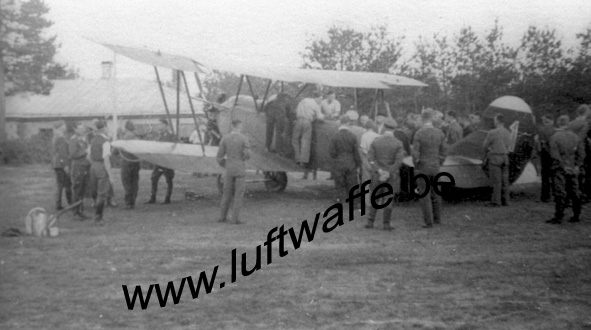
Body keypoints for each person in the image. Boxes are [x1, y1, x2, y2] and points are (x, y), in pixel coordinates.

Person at [365, 118, 405, 231]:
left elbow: (370, 158)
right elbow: (398, 162)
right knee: (388, 199)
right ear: (394, 130)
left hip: (378, 174)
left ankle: (370, 222)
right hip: (391, 175)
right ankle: (386, 224)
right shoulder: (398, 143)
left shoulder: (376, 141)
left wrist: (379, 170)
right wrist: (388, 172)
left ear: (384, 128)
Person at [546, 115, 585, 224]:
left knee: (560, 192)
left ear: (558, 123)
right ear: (568, 123)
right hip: (573, 167)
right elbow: (581, 154)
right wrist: (577, 166)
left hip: (560, 168)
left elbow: (555, 155)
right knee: (575, 191)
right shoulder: (575, 137)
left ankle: (559, 216)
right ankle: (576, 215)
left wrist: (563, 166)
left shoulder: (554, 137)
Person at [412, 109, 447, 228]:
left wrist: (416, 165)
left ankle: (428, 221)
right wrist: (439, 161)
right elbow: (444, 150)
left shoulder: (419, 133)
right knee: (436, 192)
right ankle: (438, 218)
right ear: (432, 119)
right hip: (435, 166)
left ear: (422, 119)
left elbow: (415, 153)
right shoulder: (440, 133)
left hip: (422, 167)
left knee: (424, 194)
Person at [217, 119, 251, 224]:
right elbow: (247, 155)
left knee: (226, 194)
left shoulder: (225, 138)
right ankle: (235, 218)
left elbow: (219, 157)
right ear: (240, 126)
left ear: (232, 126)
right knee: (238, 195)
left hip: (229, 169)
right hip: (240, 168)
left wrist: (226, 164)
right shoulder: (244, 139)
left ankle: (222, 217)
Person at [329, 115, 361, 203]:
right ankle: (354, 203)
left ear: (340, 123)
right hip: (351, 162)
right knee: (352, 183)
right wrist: (358, 163)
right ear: (348, 123)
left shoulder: (335, 136)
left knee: (339, 183)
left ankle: (338, 201)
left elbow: (332, 152)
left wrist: (337, 157)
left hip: (339, 162)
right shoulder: (352, 136)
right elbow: (356, 152)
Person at [483, 114, 512, 207]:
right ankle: (506, 201)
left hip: (495, 157)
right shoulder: (508, 132)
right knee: (505, 181)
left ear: (498, 121)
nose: (494, 122)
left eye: (495, 120)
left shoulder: (492, 132)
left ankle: (496, 201)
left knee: (496, 181)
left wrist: (489, 150)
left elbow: (485, 146)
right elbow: (508, 145)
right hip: (505, 157)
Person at [146, 119, 177, 204]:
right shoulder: (158, 136)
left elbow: (174, 147)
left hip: (167, 161)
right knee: (154, 178)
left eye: (160, 124)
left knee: (169, 179)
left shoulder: (171, 136)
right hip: (159, 161)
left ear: (165, 125)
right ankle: (153, 197)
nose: (159, 126)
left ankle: (167, 198)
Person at [89, 120, 113, 223]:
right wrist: (111, 175)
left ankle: (96, 212)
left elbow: (88, 156)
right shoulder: (105, 142)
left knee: (95, 190)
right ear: (103, 129)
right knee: (102, 193)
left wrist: (94, 164)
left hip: (93, 165)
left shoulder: (93, 140)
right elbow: (106, 159)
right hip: (101, 166)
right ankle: (98, 217)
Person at [292, 91, 324, 165]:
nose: (321, 101)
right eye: (320, 99)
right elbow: (320, 117)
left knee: (295, 139)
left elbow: (296, 109)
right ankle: (303, 161)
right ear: (316, 98)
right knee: (305, 142)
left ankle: (297, 158)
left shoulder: (303, 100)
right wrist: (323, 116)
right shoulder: (316, 105)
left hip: (298, 121)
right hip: (307, 122)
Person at [69, 122, 91, 220]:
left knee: (82, 190)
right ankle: (75, 212)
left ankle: (81, 210)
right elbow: (73, 154)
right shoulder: (73, 140)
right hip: (78, 167)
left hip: (85, 166)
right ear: (76, 130)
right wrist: (85, 151)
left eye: (83, 128)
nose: (82, 130)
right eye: (80, 129)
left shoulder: (84, 139)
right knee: (77, 190)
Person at [119, 120, 141, 209]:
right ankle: (133, 202)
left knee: (126, 182)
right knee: (134, 182)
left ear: (126, 128)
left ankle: (128, 202)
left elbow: (116, 151)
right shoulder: (137, 138)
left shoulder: (125, 138)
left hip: (126, 162)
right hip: (135, 162)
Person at [51, 120, 72, 211]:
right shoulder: (61, 138)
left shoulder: (56, 137)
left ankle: (58, 205)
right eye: (64, 125)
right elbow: (62, 152)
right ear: (60, 127)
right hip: (61, 164)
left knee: (60, 185)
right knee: (67, 184)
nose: (65, 127)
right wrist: (66, 165)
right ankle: (71, 203)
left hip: (57, 163)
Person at [536, 114, 556, 202]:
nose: (545, 124)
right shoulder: (555, 131)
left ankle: (545, 196)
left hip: (546, 156)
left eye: (546, 122)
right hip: (554, 156)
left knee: (545, 177)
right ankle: (556, 195)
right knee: (554, 176)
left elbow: (541, 145)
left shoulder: (542, 131)